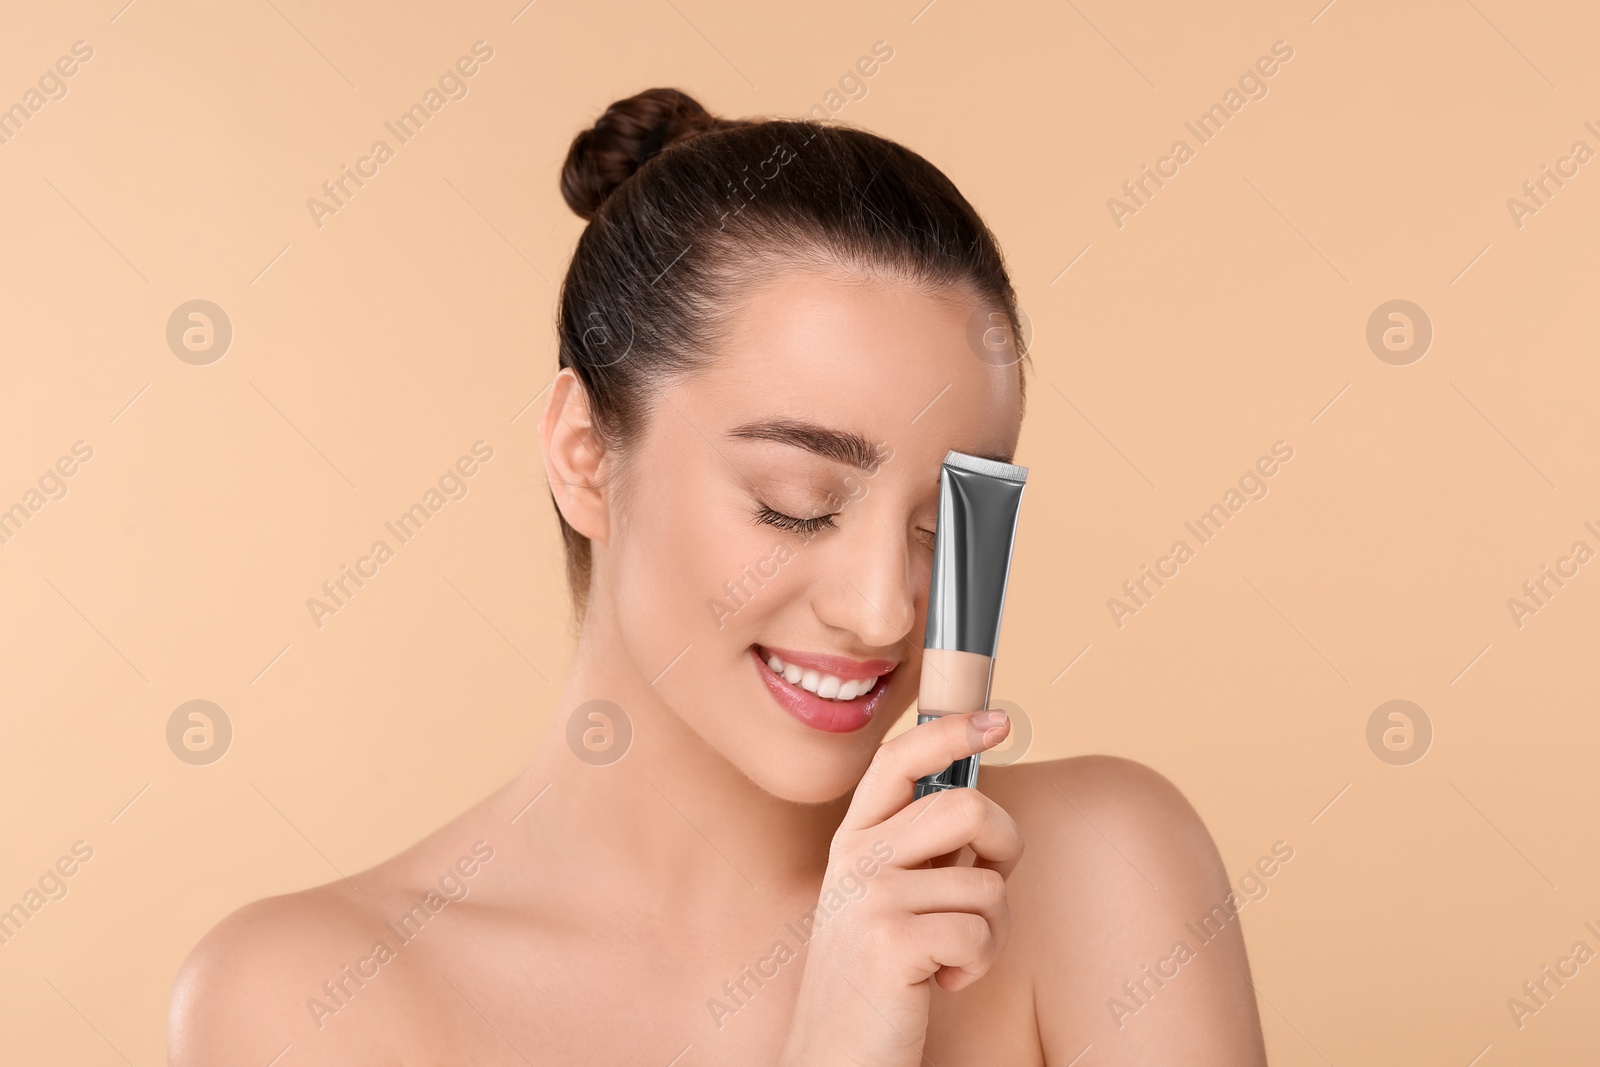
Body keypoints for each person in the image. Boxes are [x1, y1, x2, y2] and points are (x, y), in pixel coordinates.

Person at [169, 88, 1267, 1066]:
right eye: (796, 502)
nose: (884, 608)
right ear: (587, 454)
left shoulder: (1096, 876)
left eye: (943, 527)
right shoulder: (312, 1001)